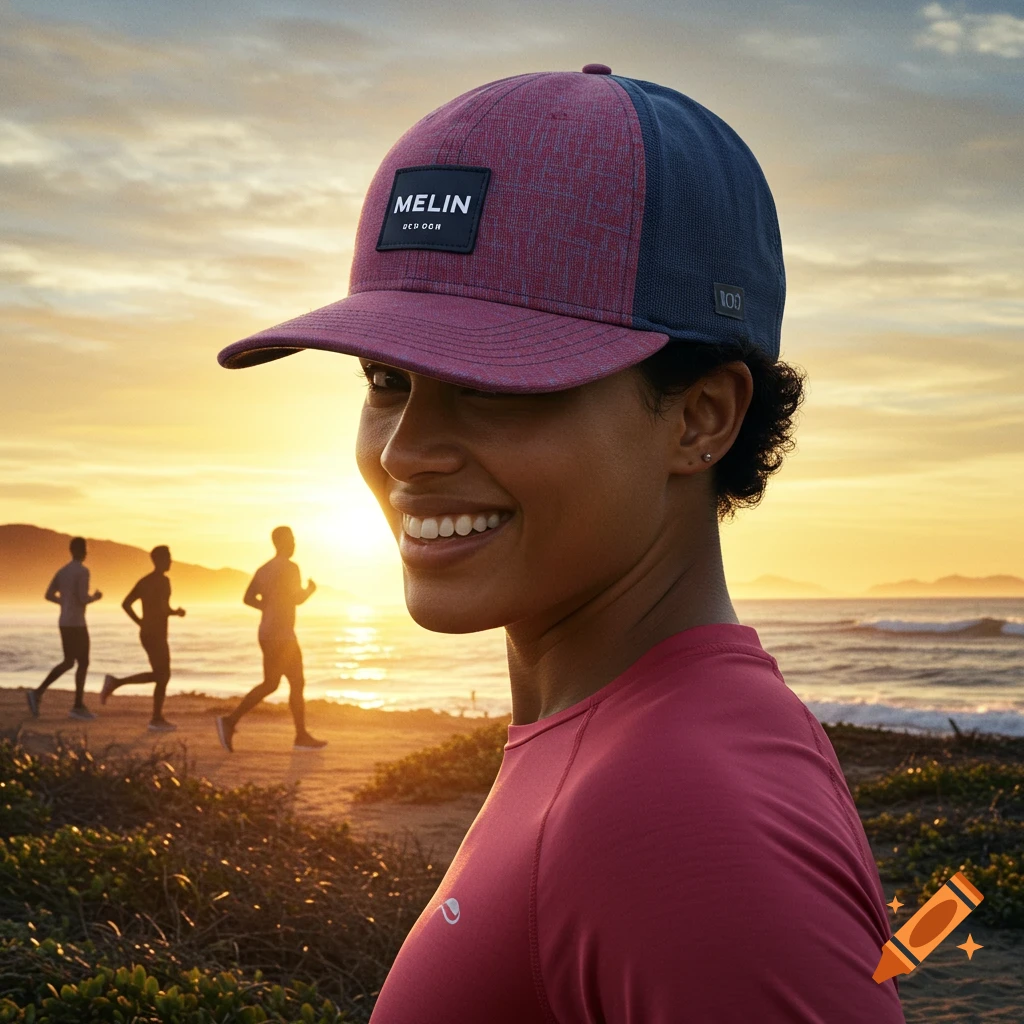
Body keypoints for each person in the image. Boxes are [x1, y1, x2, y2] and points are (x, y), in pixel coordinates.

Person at [217, 67, 905, 1022]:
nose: (407, 450)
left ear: (700, 418)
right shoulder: (624, 743)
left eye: (496, 385)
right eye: (385, 378)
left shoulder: (677, 816)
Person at [215, 526, 326, 752]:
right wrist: (310, 590)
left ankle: (230, 721)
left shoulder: (264, 569)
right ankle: (301, 737)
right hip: (283, 635)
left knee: (271, 683)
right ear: (282, 542)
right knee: (296, 683)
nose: (295, 544)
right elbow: (297, 599)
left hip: (267, 632)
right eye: (292, 540)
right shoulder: (291, 567)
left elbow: (247, 598)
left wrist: (267, 607)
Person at [100, 545, 185, 731]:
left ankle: (155, 716)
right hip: (157, 634)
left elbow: (126, 604)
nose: (171, 561)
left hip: (146, 632)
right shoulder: (163, 581)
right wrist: (176, 612)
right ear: (160, 560)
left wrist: (140, 622)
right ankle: (154, 718)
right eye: (168, 557)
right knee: (163, 675)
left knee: (161, 675)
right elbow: (163, 608)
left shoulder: (144, 581)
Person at [28, 535, 103, 720]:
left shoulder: (62, 571)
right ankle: (77, 706)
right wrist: (96, 597)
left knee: (69, 661)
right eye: (84, 549)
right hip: (77, 623)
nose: (86, 552)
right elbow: (83, 598)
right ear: (80, 551)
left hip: (64, 622)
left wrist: (64, 603)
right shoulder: (83, 571)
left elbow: (48, 595)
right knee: (83, 662)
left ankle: (38, 693)